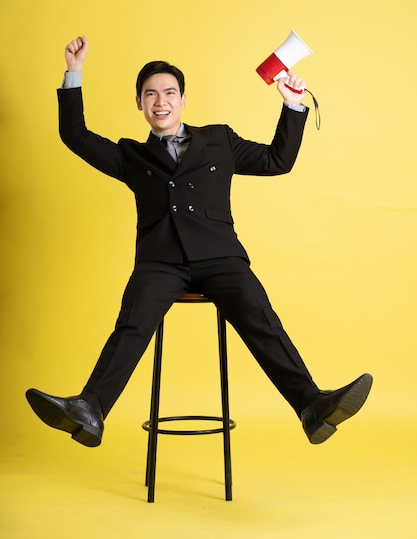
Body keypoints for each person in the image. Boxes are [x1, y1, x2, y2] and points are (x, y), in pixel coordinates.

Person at [26, 36, 372, 448]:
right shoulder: (131, 156)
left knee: (258, 315)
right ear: (139, 103)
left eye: (169, 93)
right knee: (133, 321)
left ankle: (312, 406)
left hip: (221, 259)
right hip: (160, 263)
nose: (161, 102)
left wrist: (292, 104)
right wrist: (74, 71)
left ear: (183, 99)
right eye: (150, 94)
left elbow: (278, 161)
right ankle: (90, 410)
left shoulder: (219, 140)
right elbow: (75, 135)